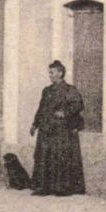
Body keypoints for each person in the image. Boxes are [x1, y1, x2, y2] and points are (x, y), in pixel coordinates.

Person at [29, 60, 86, 196]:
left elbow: (78, 105)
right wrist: (34, 124)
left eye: (52, 72)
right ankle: (44, 187)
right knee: (44, 157)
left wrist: (65, 113)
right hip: (46, 129)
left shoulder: (70, 89)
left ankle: (62, 188)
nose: (50, 75)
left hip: (61, 130)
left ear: (60, 73)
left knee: (60, 157)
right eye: (49, 72)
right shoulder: (47, 90)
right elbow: (41, 108)